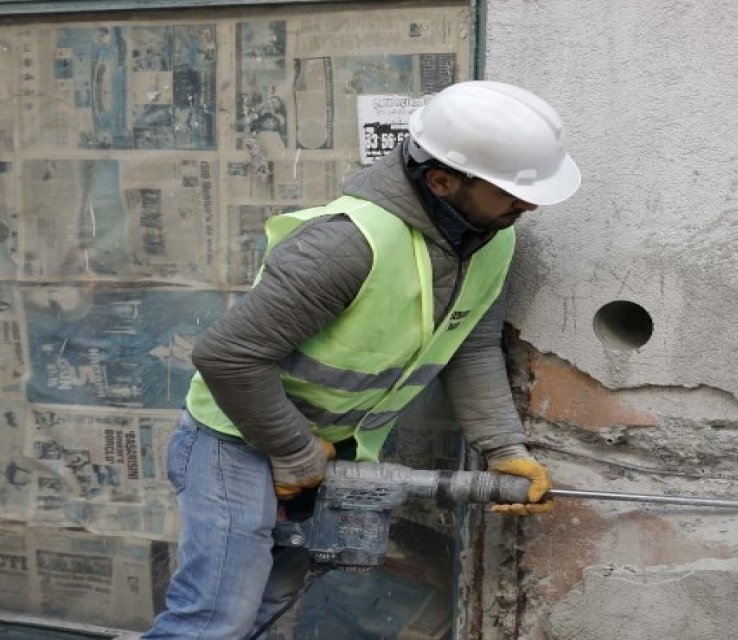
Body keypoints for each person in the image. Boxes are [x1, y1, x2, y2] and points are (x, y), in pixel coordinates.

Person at [144, 80, 581, 639]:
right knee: (212, 621)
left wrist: (503, 449)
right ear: (443, 181)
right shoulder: (346, 243)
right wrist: (296, 454)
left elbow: (468, 347)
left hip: (325, 447)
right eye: (509, 192)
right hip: (236, 442)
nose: (529, 204)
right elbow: (228, 358)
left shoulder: (489, 239)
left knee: (266, 612)